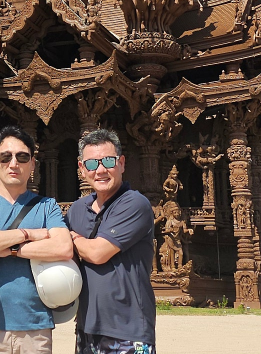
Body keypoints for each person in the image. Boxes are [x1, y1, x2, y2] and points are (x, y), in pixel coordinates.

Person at [0, 125, 73, 354]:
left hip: (35, 324)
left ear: (32, 164)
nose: (13, 164)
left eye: (22, 157)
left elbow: (63, 247)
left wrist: (10, 250)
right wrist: (29, 234)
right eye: (6, 157)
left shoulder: (47, 206)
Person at [66, 129, 156, 354]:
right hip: (86, 329)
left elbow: (97, 253)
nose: (100, 170)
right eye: (91, 164)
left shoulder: (134, 204)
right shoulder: (77, 209)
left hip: (128, 333)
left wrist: (71, 237)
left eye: (108, 161)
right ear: (81, 168)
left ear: (121, 163)